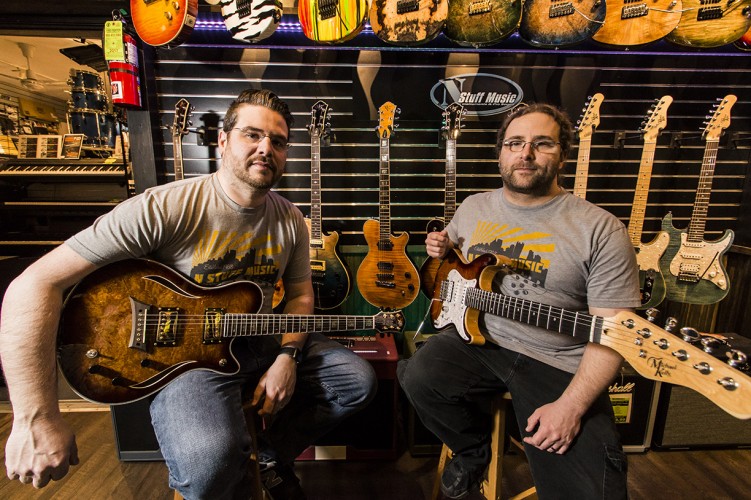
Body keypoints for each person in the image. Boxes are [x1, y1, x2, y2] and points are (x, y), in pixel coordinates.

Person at [0, 89, 377, 499]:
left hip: (260, 338)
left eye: (279, 141)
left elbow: (301, 294)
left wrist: (288, 356)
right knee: (209, 463)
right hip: (188, 361)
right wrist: (35, 417)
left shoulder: (290, 218)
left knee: (356, 381)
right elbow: (34, 284)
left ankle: (268, 457)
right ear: (223, 140)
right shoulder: (164, 208)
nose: (266, 148)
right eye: (252, 134)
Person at [399, 103, 640, 499]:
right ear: (501, 154)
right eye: (514, 143)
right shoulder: (475, 205)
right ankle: (472, 451)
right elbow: (453, 262)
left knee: (591, 490)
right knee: (416, 377)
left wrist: (572, 407)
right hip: (477, 340)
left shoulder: (601, 228)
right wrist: (438, 249)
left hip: (558, 362)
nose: (525, 154)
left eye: (541, 143)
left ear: (563, 153)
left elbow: (614, 334)